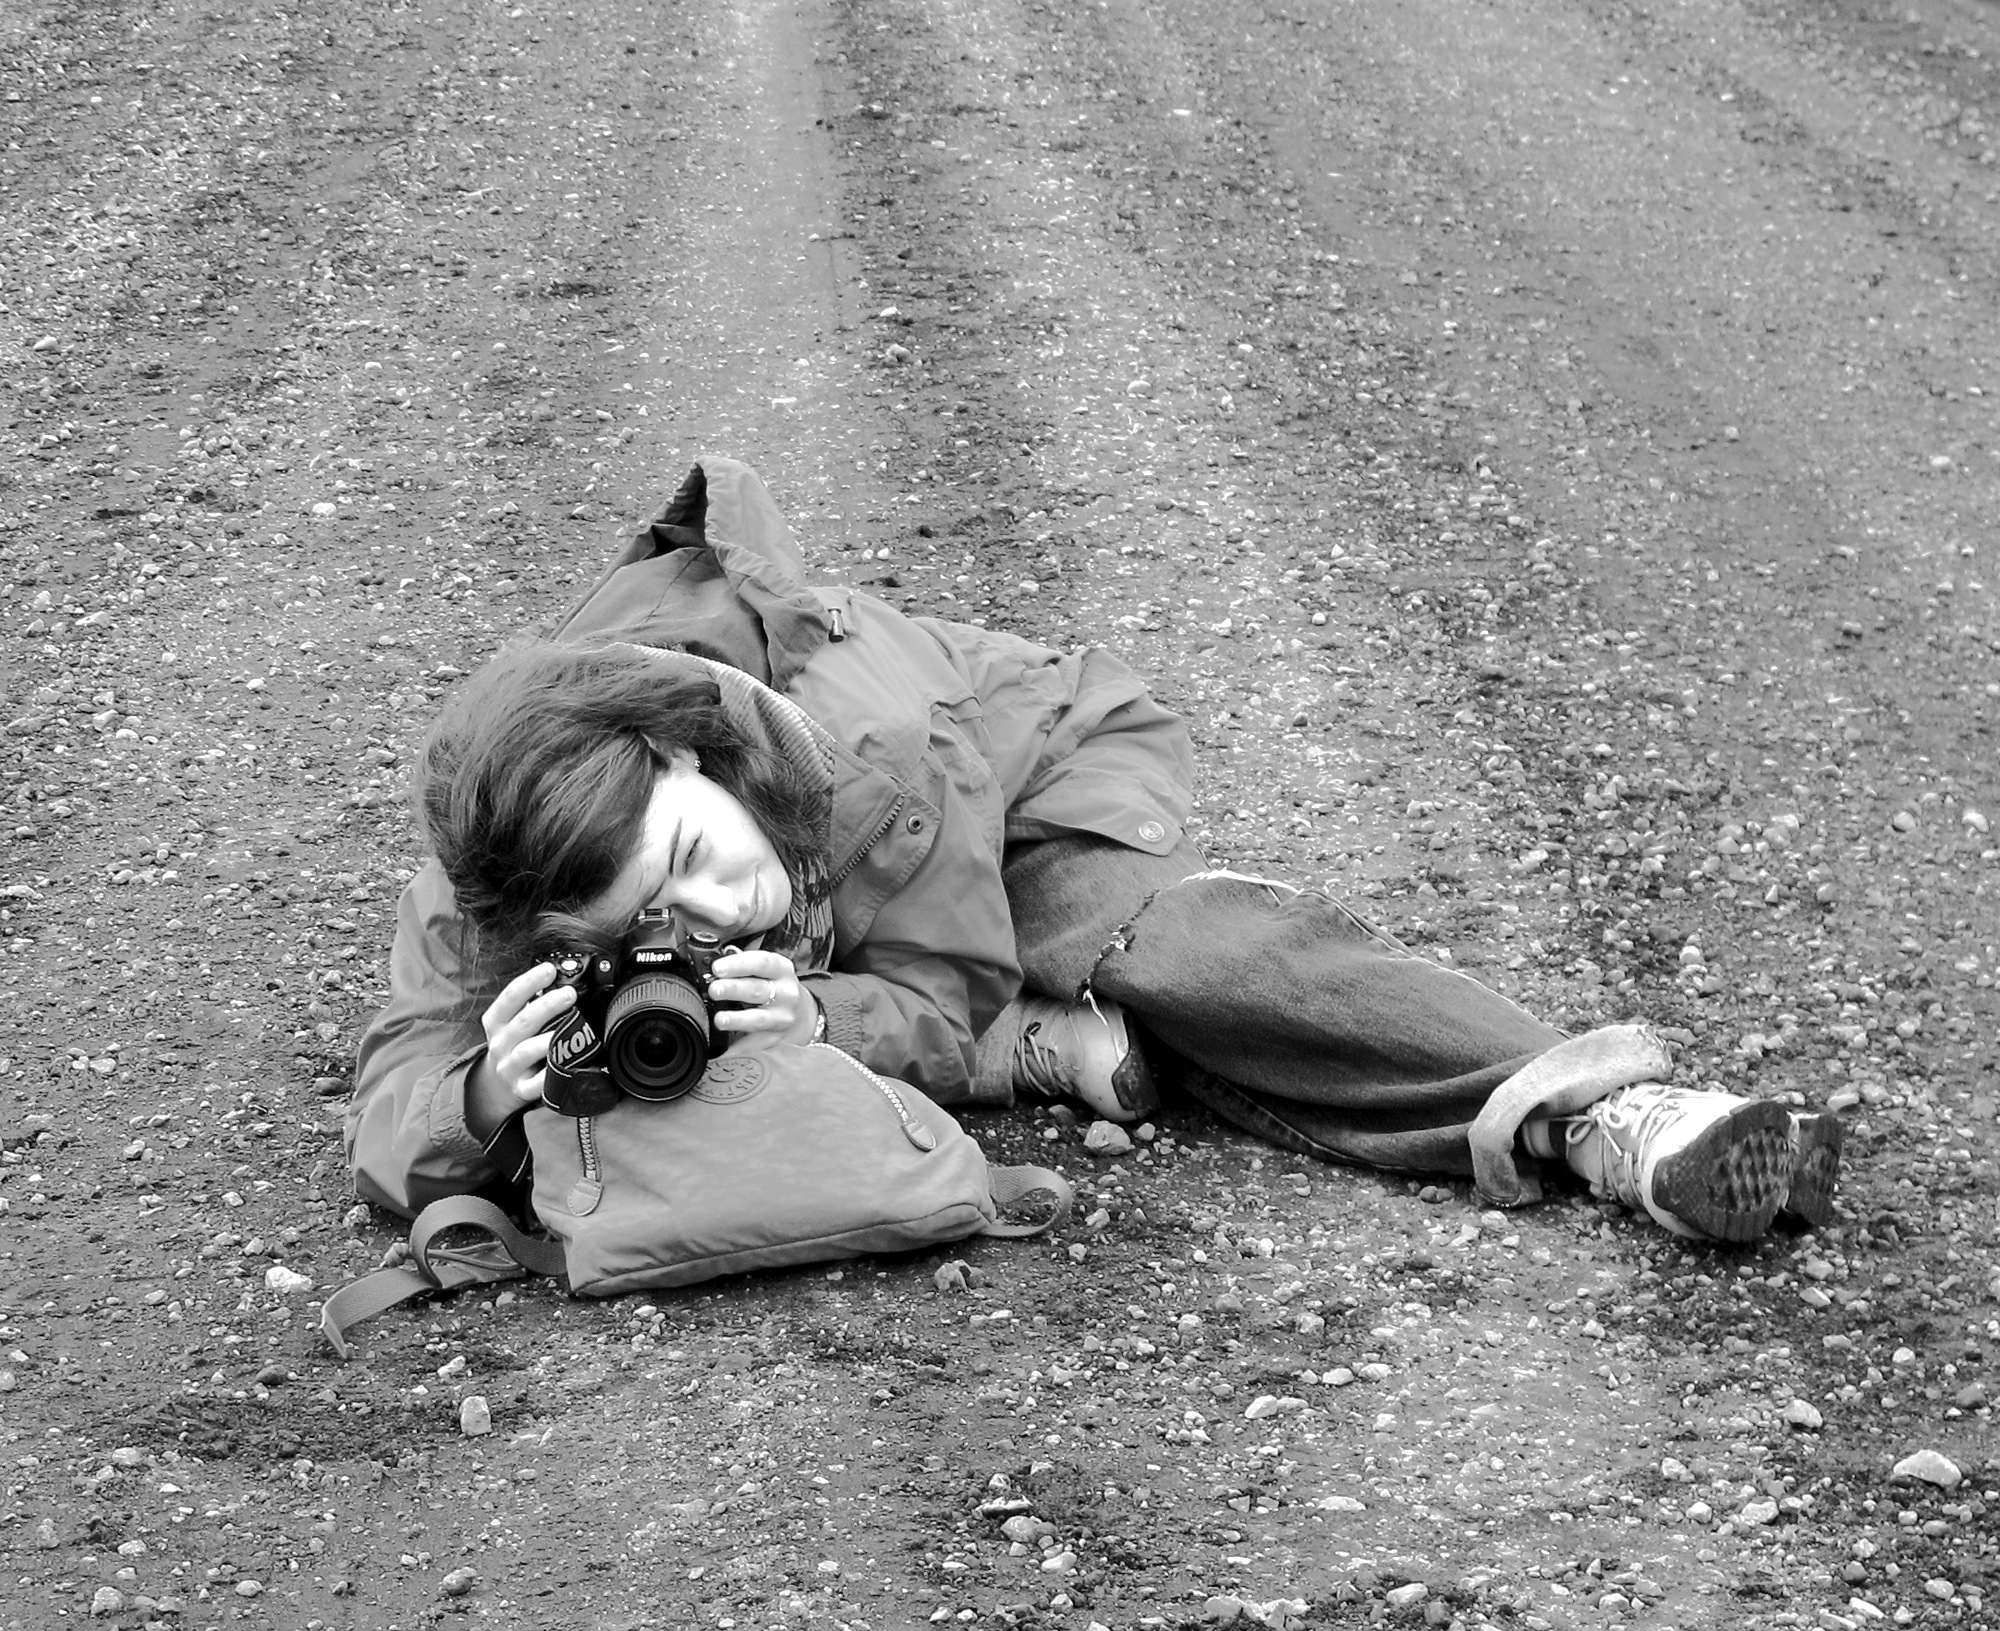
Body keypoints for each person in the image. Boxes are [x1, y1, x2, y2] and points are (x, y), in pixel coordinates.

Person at [348, 458, 1842, 1246]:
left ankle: (1610, 1112)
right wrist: (484, 1090)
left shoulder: (875, 751)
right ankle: (1049, 1043)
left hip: (1026, 792)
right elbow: (395, 1093)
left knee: (1152, 951)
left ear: (689, 759)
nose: (715, 907)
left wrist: (829, 1020)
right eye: (646, 918)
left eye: (694, 853)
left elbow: (929, 992)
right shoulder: (506, 857)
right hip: (882, 890)